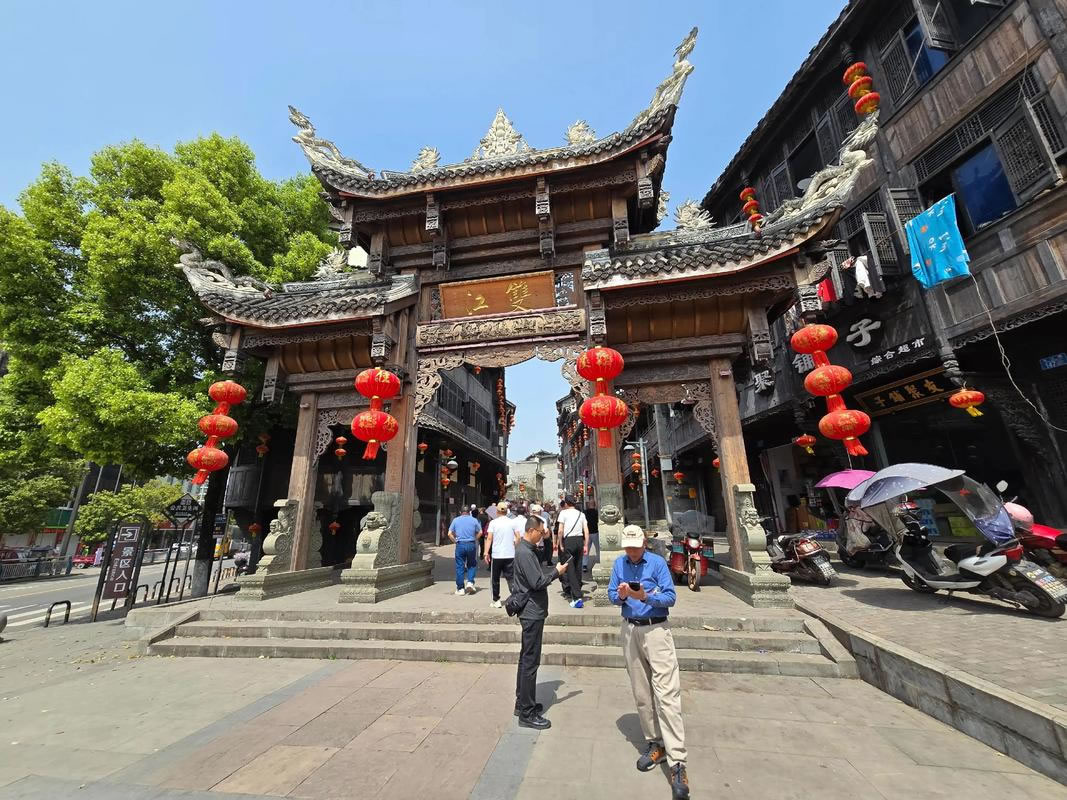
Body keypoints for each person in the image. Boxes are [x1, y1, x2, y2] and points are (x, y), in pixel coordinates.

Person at [608, 524, 689, 800]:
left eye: (635, 546)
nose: (631, 552)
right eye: (628, 547)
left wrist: (645, 596)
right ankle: (655, 743)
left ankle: (677, 761)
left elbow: (670, 597)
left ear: (644, 543)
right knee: (642, 693)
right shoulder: (619, 564)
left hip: (656, 630)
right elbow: (611, 595)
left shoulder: (656, 563)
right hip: (630, 630)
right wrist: (621, 595)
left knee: (667, 695)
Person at [512, 515, 568, 729]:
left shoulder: (527, 550)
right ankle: (526, 713)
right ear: (532, 530)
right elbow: (537, 582)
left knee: (526, 658)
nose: (543, 535)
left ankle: (523, 702)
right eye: (541, 531)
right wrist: (556, 572)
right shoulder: (525, 552)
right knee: (530, 661)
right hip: (531, 611)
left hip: (532, 610)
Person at [556, 495, 589, 608]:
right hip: (579, 540)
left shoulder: (563, 513)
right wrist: (586, 544)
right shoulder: (581, 514)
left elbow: (560, 531)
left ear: (566, 503)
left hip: (568, 541)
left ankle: (576, 596)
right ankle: (578, 589)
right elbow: (586, 531)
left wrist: (560, 543)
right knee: (578, 566)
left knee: (570, 568)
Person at [485, 501, 519, 608]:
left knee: (495, 578)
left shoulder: (493, 523)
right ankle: (516, 597)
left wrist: (486, 552)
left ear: (497, 511)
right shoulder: (512, 522)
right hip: (510, 554)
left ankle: (496, 600)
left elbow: (489, 538)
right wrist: (514, 546)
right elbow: (518, 537)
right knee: (511, 578)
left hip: (497, 555)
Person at [447, 505, 482, 595]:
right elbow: (480, 532)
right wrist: (475, 539)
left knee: (460, 566)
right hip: (471, 544)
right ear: (469, 512)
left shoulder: (456, 520)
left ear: (460, 512)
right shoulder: (474, 520)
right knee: (472, 564)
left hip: (460, 544)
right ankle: (470, 582)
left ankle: (460, 588)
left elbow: (449, 534)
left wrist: (455, 541)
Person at [583, 502, 600, 572]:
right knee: (598, 549)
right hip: (595, 532)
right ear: (594, 505)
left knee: (586, 549)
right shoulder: (596, 512)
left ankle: (584, 565)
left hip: (587, 533)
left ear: (589, 505)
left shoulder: (585, 513)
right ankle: (599, 561)